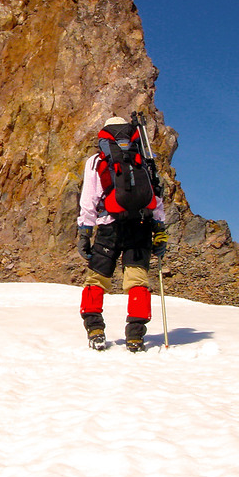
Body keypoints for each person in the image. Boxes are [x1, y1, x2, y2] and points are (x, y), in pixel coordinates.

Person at [77, 116, 168, 352]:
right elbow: (156, 195)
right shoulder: (144, 158)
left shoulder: (98, 160)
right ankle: (135, 336)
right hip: (140, 226)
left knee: (96, 279)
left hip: (109, 227)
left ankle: (95, 330)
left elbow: (89, 199)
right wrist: (160, 230)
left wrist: (85, 232)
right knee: (137, 281)